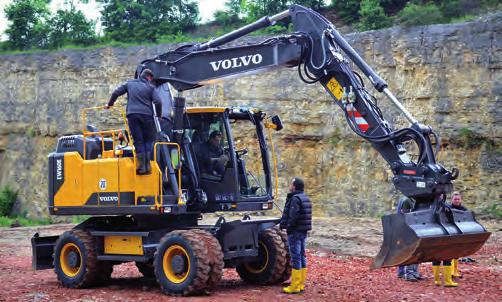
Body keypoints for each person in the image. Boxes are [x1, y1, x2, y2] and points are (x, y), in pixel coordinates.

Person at [107, 68, 161, 175]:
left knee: (138, 141)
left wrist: (110, 104)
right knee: (148, 141)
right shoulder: (150, 87)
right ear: (149, 78)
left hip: (133, 116)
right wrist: (159, 116)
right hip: (147, 116)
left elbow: (116, 93)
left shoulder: (130, 83)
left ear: (141, 75)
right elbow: (158, 101)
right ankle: (147, 166)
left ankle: (142, 167)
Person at [280, 177, 312, 294]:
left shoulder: (295, 198)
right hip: (303, 231)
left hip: (295, 231)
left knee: (295, 257)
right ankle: (300, 284)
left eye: (291, 183)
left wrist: (288, 227)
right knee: (302, 255)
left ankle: (294, 285)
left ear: (294, 186)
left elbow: (293, 216)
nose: (290, 185)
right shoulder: (305, 197)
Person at [396, 197, 424, 282]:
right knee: (410, 250)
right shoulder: (407, 200)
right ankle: (408, 273)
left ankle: (403, 272)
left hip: (403, 227)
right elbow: (406, 216)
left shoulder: (408, 199)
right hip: (406, 228)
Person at [450, 191, 467, 279]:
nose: (456, 201)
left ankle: (455, 271)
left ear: (461, 200)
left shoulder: (464, 209)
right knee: (450, 253)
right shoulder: (447, 208)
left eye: (458, 199)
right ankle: (450, 271)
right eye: (455, 199)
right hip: (451, 233)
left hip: (460, 232)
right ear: (451, 200)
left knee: (457, 253)